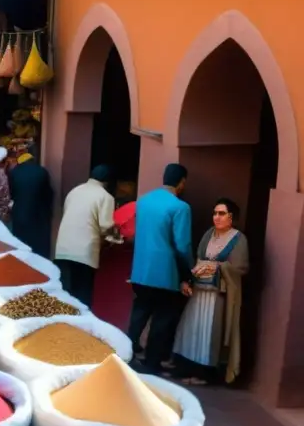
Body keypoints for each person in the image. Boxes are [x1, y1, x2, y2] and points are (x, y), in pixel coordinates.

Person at [172, 198, 249, 386]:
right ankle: (185, 369)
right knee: (191, 331)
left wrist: (218, 268)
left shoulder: (238, 239)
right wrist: (192, 276)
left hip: (218, 296)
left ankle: (204, 374)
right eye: (215, 213)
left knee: (209, 334)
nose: (217, 217)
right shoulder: (209, 234)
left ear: (232, 217)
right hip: (199, 293)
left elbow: (241, 267)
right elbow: (199, 258)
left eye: (221, 213)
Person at [127, 163, 194, 374]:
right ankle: (151, 362)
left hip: (140, 269)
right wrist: (189, 270)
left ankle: (124, 353)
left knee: (139, 312)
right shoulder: (180, 207)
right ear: (182, 182)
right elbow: (182, 245)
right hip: (165, 272)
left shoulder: (144, 201)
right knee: (163, 318)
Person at [54, 164, 116, 307]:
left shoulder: (74, 191)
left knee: (64, 294)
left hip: (63, 248)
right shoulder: (105, 197)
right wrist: (113, 236)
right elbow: (106, 226)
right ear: (107, 182)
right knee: (81, 298)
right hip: (84, 253)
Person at [8, 150, 54, 258]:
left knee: (21, 243)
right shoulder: (42, 171)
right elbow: (48, 194)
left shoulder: (14, 172)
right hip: (39, 215)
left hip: (20, 213)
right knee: (38, 246)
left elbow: (11, 193)